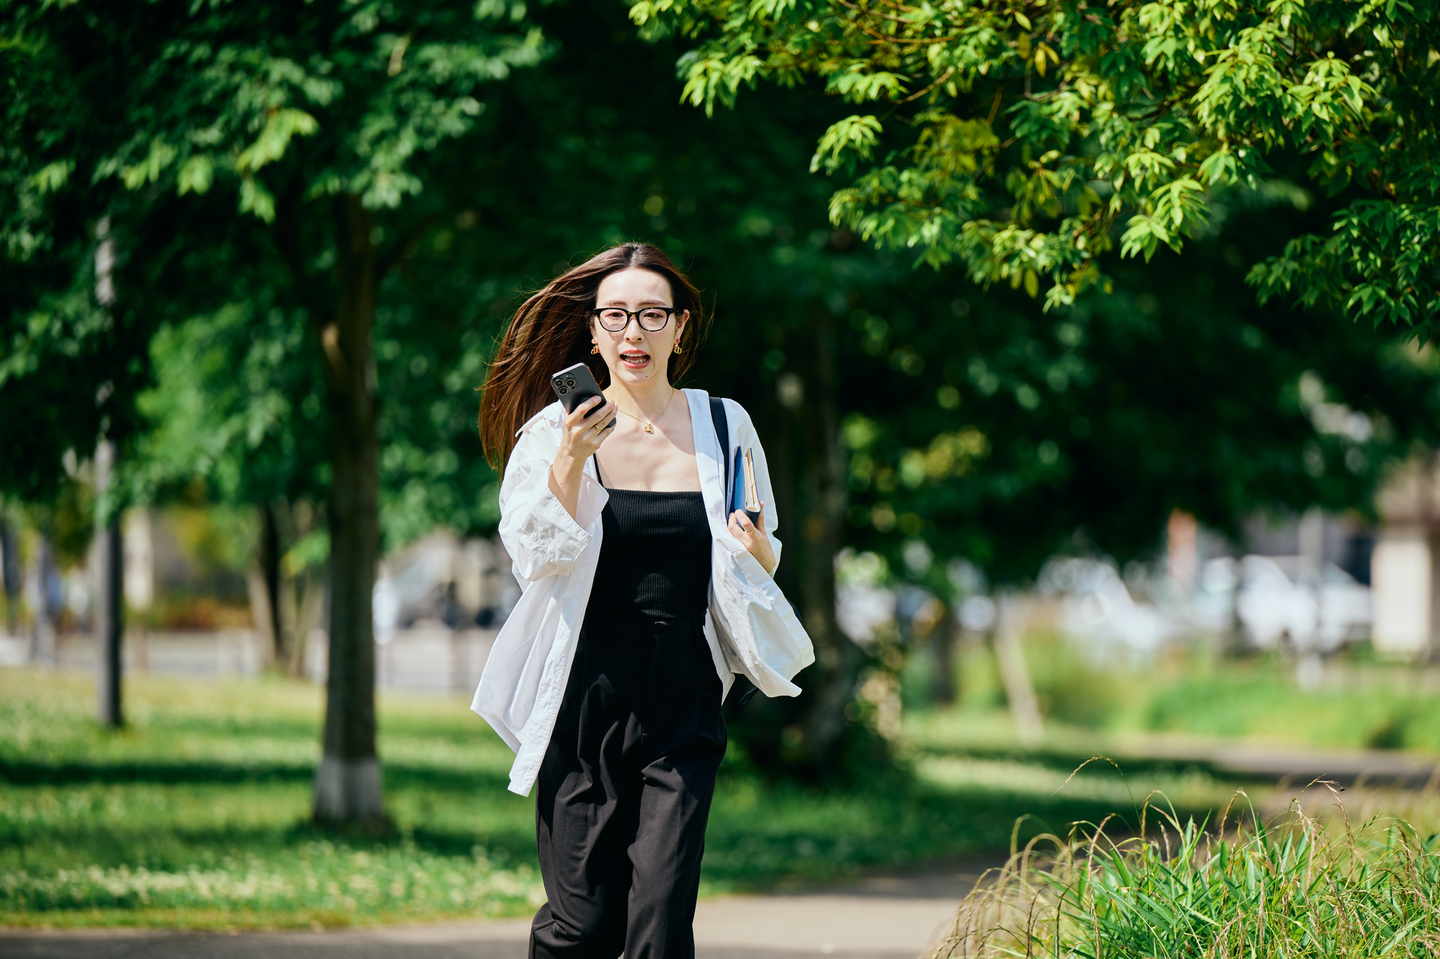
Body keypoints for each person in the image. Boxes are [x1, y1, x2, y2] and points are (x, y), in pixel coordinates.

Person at [472, 242, 813, 959]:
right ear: (592, 332)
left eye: (653, 314)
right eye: (617, 315)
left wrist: (756, 548)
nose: (635, 331)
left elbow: (765, 547)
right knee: (581, 925)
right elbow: (534, 555)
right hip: (583, 697)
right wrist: (569, 458)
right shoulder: (551, 434)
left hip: (683, 701)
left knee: (659, 927)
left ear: (681, 327)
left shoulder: (724, 426)